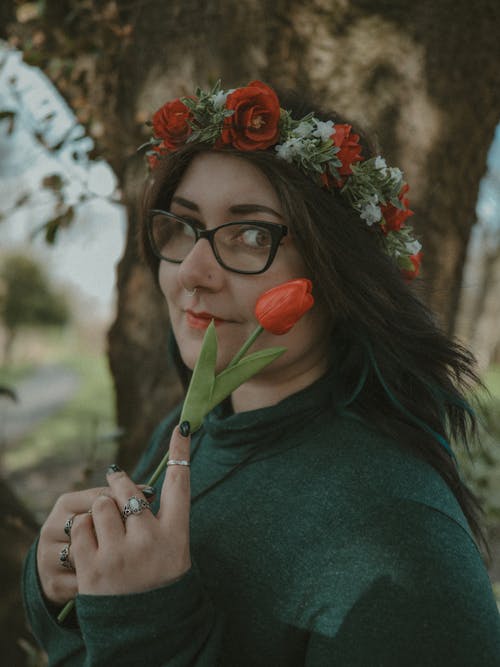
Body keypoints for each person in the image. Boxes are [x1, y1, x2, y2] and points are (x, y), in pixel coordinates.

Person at [23, 80, 500, 666]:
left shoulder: (400, 540)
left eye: (251, 235)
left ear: (336, 271)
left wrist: (143, 621)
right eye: (184, 225)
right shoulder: (195, 428)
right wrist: (65, 588)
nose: (192, 271)